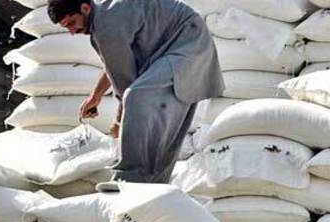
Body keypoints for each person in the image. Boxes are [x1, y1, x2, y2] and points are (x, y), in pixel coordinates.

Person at [47, 0, 223, 184]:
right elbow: (115, 64)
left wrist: (118, 123)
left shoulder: (107, 27)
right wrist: (96, 96)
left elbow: (126, 85)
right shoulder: (106, 16)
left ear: (84, 8)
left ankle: (127, 179)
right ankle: (155, 187)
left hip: (187, 43)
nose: (72, 32)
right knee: (166, 128)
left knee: (138, 97)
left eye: (71, 24)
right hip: (184, 42)